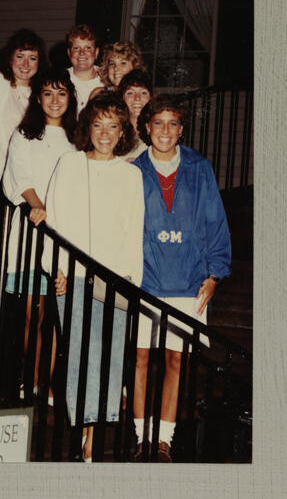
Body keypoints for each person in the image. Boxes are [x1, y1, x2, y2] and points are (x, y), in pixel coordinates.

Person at [43, 93, 144, 462]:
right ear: (88, 127)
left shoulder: (132, 174)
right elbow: (54, 219)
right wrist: (56, 268)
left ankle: (91, 442)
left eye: (113, 126)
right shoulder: (69, 164)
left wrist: (131, 281)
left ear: (122, 133)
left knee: (110, 358)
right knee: (82, 357)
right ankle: (84, 436)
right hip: (73, 277)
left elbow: (135, 230)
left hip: (115, 280)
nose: (104, 133)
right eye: (98, 124)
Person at [132, 95, 231, 462]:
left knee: (176, 361)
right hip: (146, 278)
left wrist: (215, 274)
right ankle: (142, 436)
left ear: (182, 130)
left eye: (173, 123)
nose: (165, 130)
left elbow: (215, 222)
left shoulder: (199, 167)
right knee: (140, 359)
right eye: (158, 123)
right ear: (146, 127)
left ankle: (164, 440)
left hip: (188, 280)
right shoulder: (133, 170)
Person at [2, 67, 77, 402]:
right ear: (38, 98)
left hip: (68, 237)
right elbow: (19, 178)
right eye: (48, 93)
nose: (55, 100)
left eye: (62, 93)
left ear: (71, 98)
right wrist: (38, 207)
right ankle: (29, 382)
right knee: (35, 315)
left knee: (57, 315)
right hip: (34, 234)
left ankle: (45, 384)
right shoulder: (25, 135)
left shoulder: (78, 139)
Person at [0, 28, 47, 181]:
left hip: (35, 177)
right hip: (5, 174)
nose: (26, 64)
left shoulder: (42, 92)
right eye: (20, 56)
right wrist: (3, 173)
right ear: (10, 59)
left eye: (33, 58)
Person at [66, 24, 104, 115]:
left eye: (88, 48)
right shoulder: (61, 79)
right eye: (76, 48)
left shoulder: (107, 79)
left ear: (96, 52)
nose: (82, 53)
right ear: (69, 53)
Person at [118, 69, 152, 161]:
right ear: (122, 98)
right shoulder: (115, 130)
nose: (137, 98)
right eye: (130, 93)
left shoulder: (157, 131)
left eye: (143, 93)